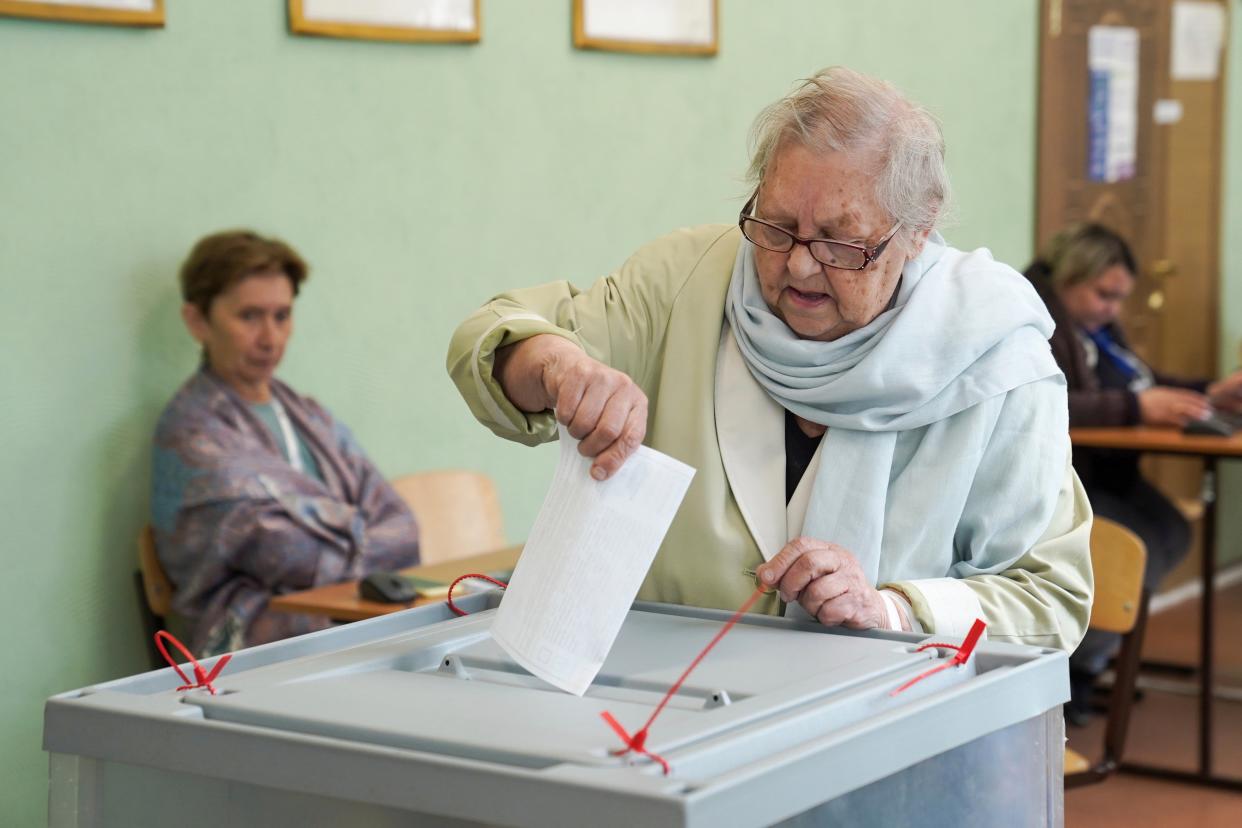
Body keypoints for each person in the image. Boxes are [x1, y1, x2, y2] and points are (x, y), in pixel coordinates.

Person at [447, 67, 1092, 650]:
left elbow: (1050, 599)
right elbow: (494, 337)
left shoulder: (998, 356)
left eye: (841, 241)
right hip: (667, 707)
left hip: (898, 736)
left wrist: (894, 608)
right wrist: (558, 366)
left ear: (916, 231)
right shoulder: (686, 282)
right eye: (777, 226)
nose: (801, 264)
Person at [152, 230, 420, 656]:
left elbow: (403, 528)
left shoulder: (309, 416)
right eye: (250, 316)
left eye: (282, 315)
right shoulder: (190, 433)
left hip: (342, 618)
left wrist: (338, 538)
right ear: (198, 321)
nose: (270, 338)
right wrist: (362, 535)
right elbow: (287, 549)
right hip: (246, 648)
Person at [1024, 222, 1242, 722]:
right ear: (1073, 275)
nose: (1113, 309)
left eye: (1120, 298)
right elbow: (1049, 402)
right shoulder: (1034, 317)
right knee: (1134, 542)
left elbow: (1142, 381)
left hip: (1109, 473)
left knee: (1169, 530)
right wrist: (1136, 408)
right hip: (1064, 481)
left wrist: (1207, 394)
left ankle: (1094, 659)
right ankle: (1075, 670)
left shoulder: (1096, 328)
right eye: (1105, 294)